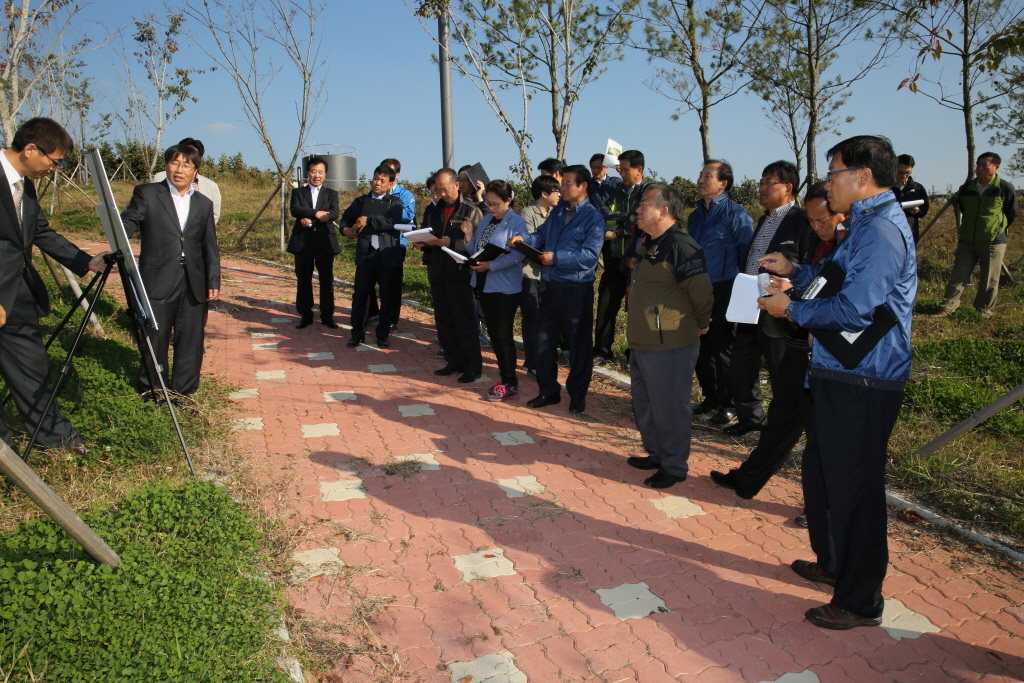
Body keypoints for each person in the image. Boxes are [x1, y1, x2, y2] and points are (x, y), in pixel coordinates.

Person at [758, 134, 916, 630]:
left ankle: (860, 599)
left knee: (854, 488)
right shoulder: (864, 225)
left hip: (864, 378)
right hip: (839, 370)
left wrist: (791, 310)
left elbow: (855, 308)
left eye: (833, 174)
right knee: (826, 474)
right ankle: (834, 564)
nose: (827, 184)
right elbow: (834, 281)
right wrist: (796, 271)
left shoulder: (882, 231)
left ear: (862, 177)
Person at [712, 181, 849, 501]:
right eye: (811, 221)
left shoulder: (852, 249)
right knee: (782, 417)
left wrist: (791, 303)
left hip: (827, 354)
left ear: (842, 214)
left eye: (822, 220)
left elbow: (842, 303)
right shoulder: (819, 241)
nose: (816, 227)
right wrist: (791, 280)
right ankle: (749, 479)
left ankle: (826, 507)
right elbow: (814, 280)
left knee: (823, 435)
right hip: (801, 347)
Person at [0, 117, 107, 454]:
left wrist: (84, 261)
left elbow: (40, 232)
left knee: (31, 367)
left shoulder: (24, 185)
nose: (55, 169)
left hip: (17, 292)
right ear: (31, 149)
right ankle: (6, 453)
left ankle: (56, 437)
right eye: (55, 161)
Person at [625, 184, 713, 489]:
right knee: (646, 404)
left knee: (670, 407)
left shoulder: (681, 245)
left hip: (670, 343)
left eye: (644, 204)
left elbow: (702, 293)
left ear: (664, 211)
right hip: (644, 341)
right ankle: (658, 454)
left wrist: (701, 322)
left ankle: (674, 466)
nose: (637, 210)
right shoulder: (651, 243)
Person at [121, 143, 221, 402]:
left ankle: (184, 392)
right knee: (156, 335)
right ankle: (153, 390)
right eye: (175, 163)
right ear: (166, 165)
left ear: (195, 171)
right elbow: (130, 219)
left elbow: (209, 245)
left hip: (194, 280)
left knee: (191, 338)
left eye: (187, 165)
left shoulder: (203, 203)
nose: (179, 169)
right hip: (158, 276)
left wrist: (213, 279)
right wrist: (119, 233)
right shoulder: (147, 193)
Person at [726, 160, 813, 436]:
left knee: (780, 371)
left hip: (779, 308)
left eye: (769, 182)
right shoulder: (765, 218)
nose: (762, 187)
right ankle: (751, 418)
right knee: (742, 364)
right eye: (761, 182)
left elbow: (809, 263)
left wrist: (793, 284)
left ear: (788, 188)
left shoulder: (802, 220)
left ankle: (780, 431)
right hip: (751, 303)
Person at [509, 165, 605, 414]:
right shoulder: (558, 211)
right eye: (562, 183)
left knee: (578, 345)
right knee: (543, 341)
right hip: (550, 286)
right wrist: (524, 240)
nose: (562, 187)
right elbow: (541, 236)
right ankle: (548, 391)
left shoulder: (593, 218)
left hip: (576, 288)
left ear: (583, 186)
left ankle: (577, 395)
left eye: (568, 183)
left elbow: (589, 256)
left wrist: (557, 258)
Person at [687, 160, 754, 426]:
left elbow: (747, 255)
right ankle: (711, 398)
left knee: (722, 347)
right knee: (700, 345)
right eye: (700, 175)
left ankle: (730, 404)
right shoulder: (695, 216)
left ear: (723, 184)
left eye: (707, 176)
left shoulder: (737, 214)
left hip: (725, 287)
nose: (700, 180)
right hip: (697, 288)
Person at [936, 152, 1018, 319]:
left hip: (993, 241)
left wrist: (996, 228)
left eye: (984, 165)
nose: (979, 168)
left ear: (996, 167)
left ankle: (983, 311)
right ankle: (947, 308)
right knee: (959, 275)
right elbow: (963, 208)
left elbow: (1012, 212)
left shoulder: (1004, 188)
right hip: (968, 240)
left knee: (989, 279)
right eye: (978, 165)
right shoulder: (968, 188)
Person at [466, 180, 527, 401]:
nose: (491, 208)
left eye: (495, 204)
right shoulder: (487, 219)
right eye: (488, 203)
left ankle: (510, 382)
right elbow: (476, 249)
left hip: (505, 287)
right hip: (484, 282)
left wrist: (491, 265)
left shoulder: (517, 222)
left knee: (502, 334)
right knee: (494, 333)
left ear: (508, 201)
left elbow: (519, 254)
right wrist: (468, 237)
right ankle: (506, 378)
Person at [425, 168, 484, 382]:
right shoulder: (434, 210)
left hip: (460, 274)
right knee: (444, 321)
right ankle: (453, 361)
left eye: (445, 189)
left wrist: (453, 243)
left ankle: (472, 367)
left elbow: (478, 243)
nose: (441, 194)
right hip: (438, 271)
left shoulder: (471, 210)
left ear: (457, 185)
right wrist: (423, 242)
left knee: (465, 322)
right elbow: (429, 233)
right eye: (437, 190)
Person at [340, 165, 405, 348]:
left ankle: (383, 334)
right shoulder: (361, 201)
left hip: (387, 256)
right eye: (376, 178)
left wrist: (368, 220)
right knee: (360, 295)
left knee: (387, 297)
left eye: (382, 180)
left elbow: (392, 221)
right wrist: (344, 229)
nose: (377, 183)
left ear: (391, 184)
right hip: (366, 255)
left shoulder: (396, 203)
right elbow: (346, 218)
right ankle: (357, 333)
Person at [593, 149, 648, 364]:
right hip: (615, 257)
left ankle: (635, 354)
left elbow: (644, 221)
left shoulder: (648, 192)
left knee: (638, 308)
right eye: (620, 170)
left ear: (639, 170)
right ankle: (602, 351)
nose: (621, 174)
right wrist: (627, 216)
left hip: (637, 260)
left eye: (626, 170)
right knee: (606, 303)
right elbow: (604, 212)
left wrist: (619, 232)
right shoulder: (616, 191)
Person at [287, 157, 340, 329]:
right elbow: (295, 209)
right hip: (303, 242)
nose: (317, 175)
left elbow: (334, 213)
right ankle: (305, 315)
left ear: (325, 175)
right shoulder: (298, 192)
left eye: (320, 172)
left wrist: (311, 218)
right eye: (313, 171)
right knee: (303, 279)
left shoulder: (331, 193)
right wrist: (316, 213)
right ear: (308, 173)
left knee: (326, 280)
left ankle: (327, 315)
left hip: (324, 242)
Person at [518, 175, 561, 377]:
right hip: (529, 273)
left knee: (546, 318)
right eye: (556, 191)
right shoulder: (527, 213)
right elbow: (528, 244)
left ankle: (543, 358)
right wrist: (547, 255)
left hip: (549, 274)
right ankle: (532, 362)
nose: (559, 195)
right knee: (532, 317)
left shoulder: (556, 213)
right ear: (544, 193)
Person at [380, 158, 415, 333]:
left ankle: (392, 319)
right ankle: (378, 314)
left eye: (391, 171)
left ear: (397, 175)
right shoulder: (375, 193)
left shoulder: (405, 195)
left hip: (396, 244)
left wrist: (385, 214)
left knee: (393, 284)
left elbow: (408, 216)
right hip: (377, 243)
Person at [152, 137, 222, 225]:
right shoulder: (159, 178)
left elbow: (213, 216)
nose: (180, 169)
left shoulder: (211, 186)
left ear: (200, 160)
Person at [891, 154, 929, 243]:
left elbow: (924, 209)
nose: (904, 176)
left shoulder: (917, 188)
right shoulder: (885, 187)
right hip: (889, 231)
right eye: (900, 172)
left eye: (908, 173)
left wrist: (918, 211)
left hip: (910, 232)